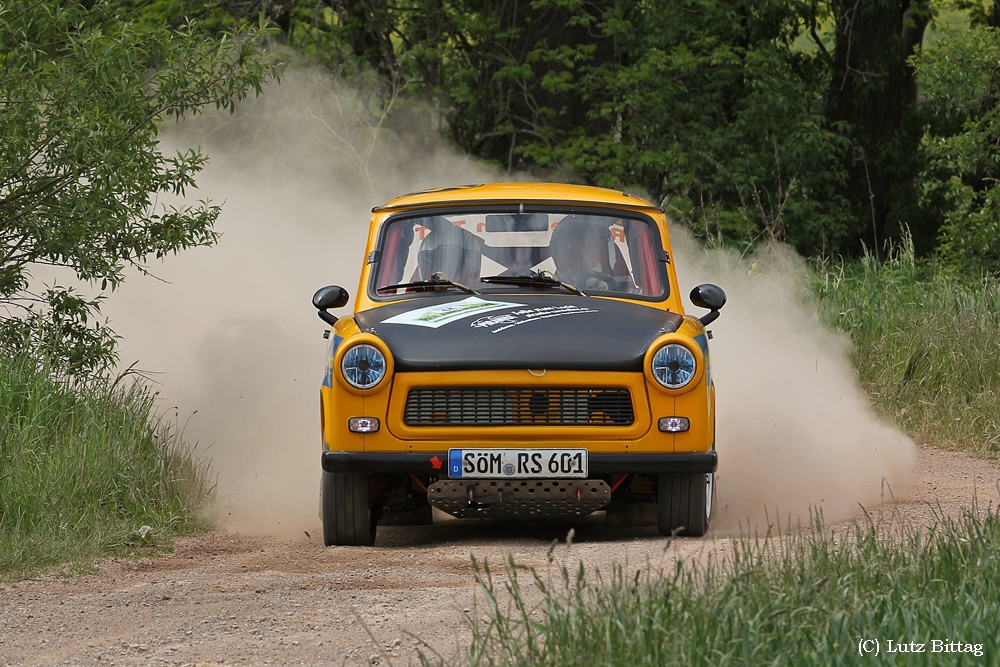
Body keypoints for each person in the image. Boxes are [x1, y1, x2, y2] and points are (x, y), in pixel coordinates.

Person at [549, 216, 617, 290]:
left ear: (606, 254)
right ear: (560, 259)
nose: (582, 259)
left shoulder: (625, 295)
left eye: (589, 250)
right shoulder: (547, 296)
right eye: (572, 253)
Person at [415, 218, 482, 288]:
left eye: (459, 272)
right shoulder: (413, 296)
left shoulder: (488, 294)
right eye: (437, 273)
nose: (448, 279)